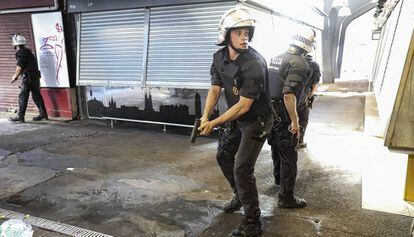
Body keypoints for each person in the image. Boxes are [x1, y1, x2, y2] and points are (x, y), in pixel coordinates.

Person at [198, 7, 273, 237]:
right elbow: (214, 89)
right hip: (237, 119)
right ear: (226, 35)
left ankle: (253, 222)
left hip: (256, 120)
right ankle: (240, 195)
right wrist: (204, 116)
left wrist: (214, 122)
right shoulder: (218, 58)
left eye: (247, 32)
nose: (244, 37)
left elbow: (244, 106)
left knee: (242, 167)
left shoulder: (254, 63)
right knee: (223, 155)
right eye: (238, 32)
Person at [267, 27, 316, 208]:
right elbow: (288, 94)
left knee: (276, 148)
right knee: (289, 155)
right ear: (308, 45)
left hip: (271, 113)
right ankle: (286, 198)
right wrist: (295, 122)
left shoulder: (276, 58)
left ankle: (278, 180)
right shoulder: (300, 63)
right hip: (285, 115)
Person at [9, 34, 48, 123]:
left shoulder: (20, 52)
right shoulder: (28, 52)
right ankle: (43, 114)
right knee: (36, 96)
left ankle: (20, 117)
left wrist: (15, 76)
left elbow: (20, 66)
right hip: (35, 77)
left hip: (28, 78)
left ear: (16, 44)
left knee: (22, 96)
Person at [297, 54, 321, 148]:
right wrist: (309, 97)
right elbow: (314, 86)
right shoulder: (314, 65)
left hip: (289, 96)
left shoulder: (292, 60)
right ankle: (299, 141)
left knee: (291, 118)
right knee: (303, 119)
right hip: (303, 97)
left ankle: (289, 140)